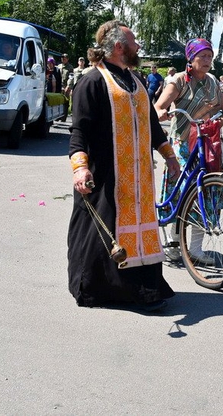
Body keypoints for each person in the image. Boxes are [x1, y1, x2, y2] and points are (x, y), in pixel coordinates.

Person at [68, 19, 181, 313]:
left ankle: (144, 288)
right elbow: (79, 129)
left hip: (140, 177)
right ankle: (103, 288)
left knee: (141, 228)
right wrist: (80, 167)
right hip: (108, 173)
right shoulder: (92, 81)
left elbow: (152, 125)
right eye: (134, 42)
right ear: (119, 47)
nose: (138, 46)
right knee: (106, 230)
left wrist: (169, 155)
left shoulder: (136, 81)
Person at [154, 39, 223, 262]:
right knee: (178, 190)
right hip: (182, 144)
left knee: (204, 190)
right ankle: (172, 241)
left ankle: (196, 248)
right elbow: (158, 107)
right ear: (191, 58)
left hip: (205, 143)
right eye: (203, 56)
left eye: (210, 56)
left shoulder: (213, 83)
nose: (207, 61)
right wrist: (162, 113)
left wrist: (216, 123)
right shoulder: (179, 80)